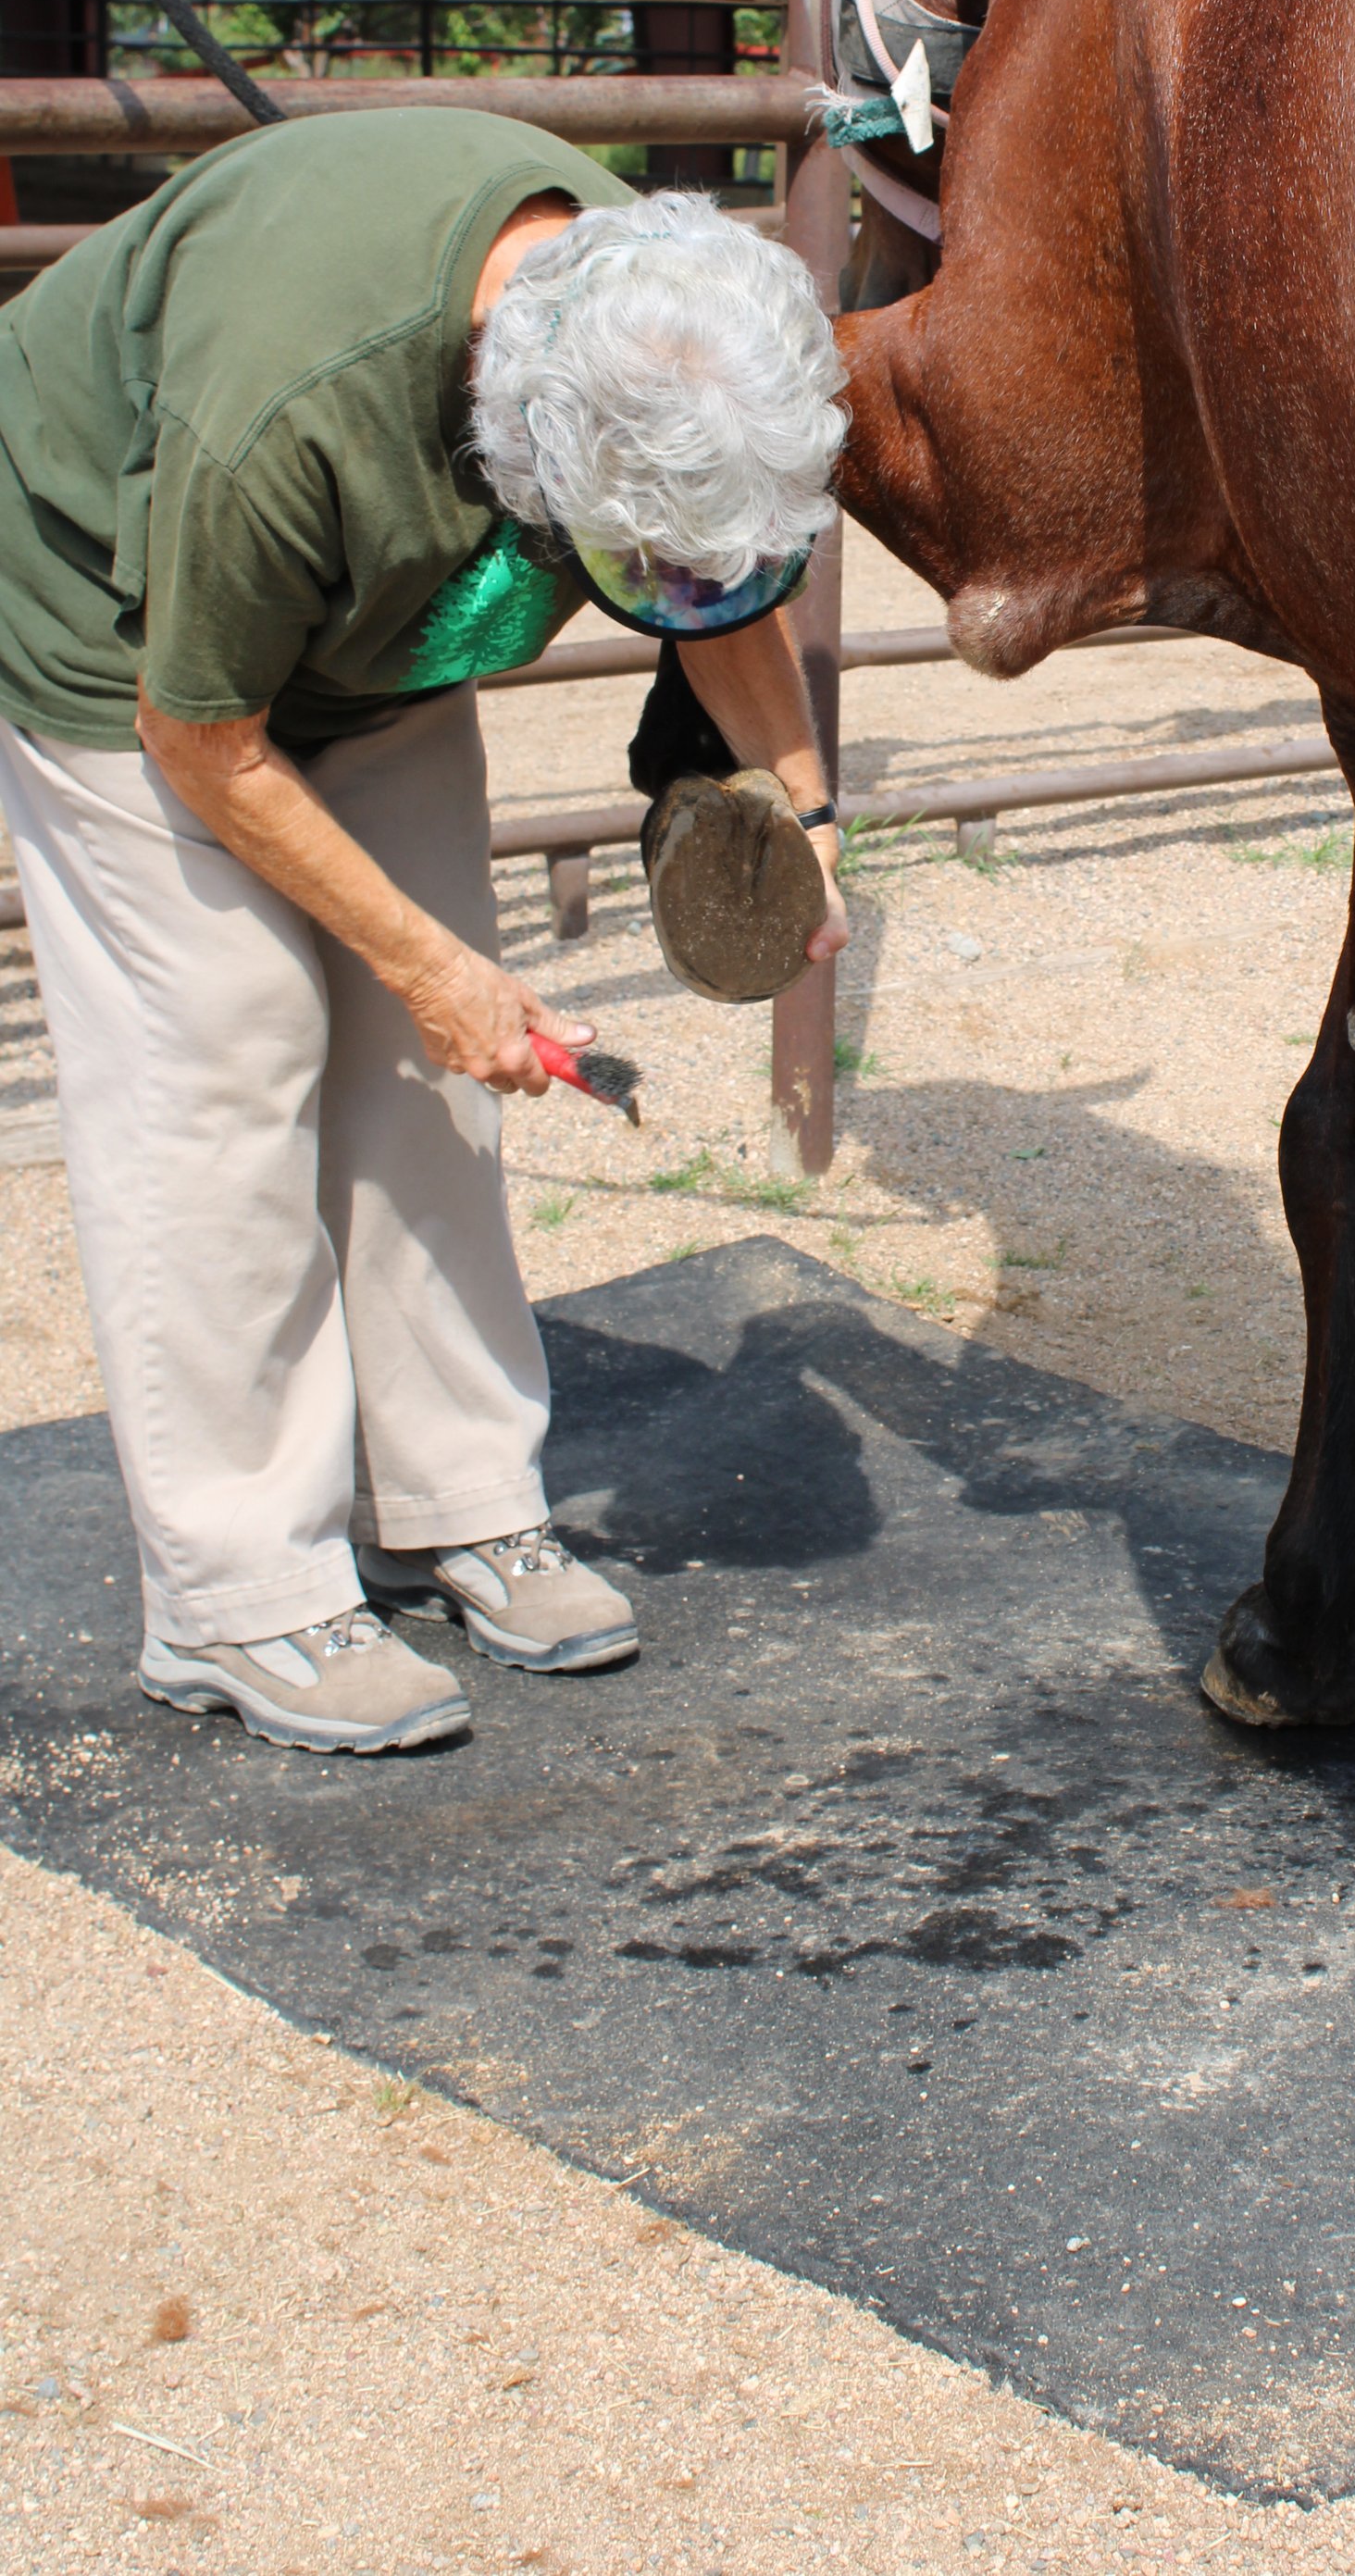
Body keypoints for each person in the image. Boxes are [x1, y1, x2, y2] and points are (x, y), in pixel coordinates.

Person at [0, 107, 848, 1755]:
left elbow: (725, 595)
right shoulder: (287, 413)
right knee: (228, 1049)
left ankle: (451, 1488)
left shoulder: (683, 324)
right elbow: (205, 733)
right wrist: (426, 962)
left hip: (365, 632)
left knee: (439, 1069)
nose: (685, 588)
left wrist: (807, 819)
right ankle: (239, 1591)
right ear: (530, 473)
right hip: (123, 636)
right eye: (641, 564)